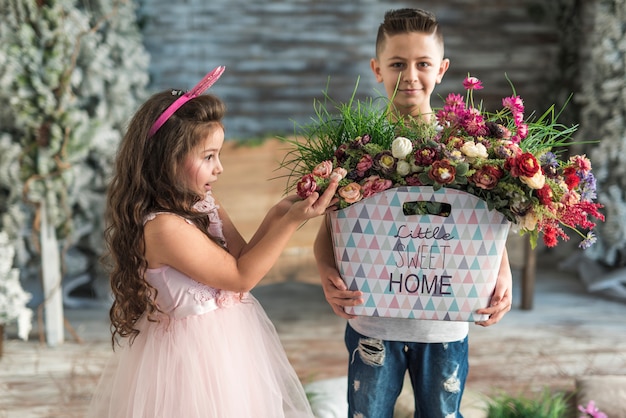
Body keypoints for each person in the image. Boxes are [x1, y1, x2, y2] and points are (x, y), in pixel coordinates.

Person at [88, 66, 339, 418]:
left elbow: (243, 257)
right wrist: (293, 223)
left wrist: (280, 212)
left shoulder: (203, 205)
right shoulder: (162, 228)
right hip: (191, 364)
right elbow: (240, 278)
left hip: (231, 349)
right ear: (167, 160)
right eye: (208, 157)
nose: (219, 168)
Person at [313, 9, 513, 418]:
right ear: (376, 69)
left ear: (441, 70)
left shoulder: (466, 149)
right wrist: (326, 273)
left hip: (445, 325)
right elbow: (331, 226)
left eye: (422, 64)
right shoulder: (357, 151)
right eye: (397, 64)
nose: (410, 75)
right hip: (373, 325)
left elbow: (482, 225)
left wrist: (502, 274)